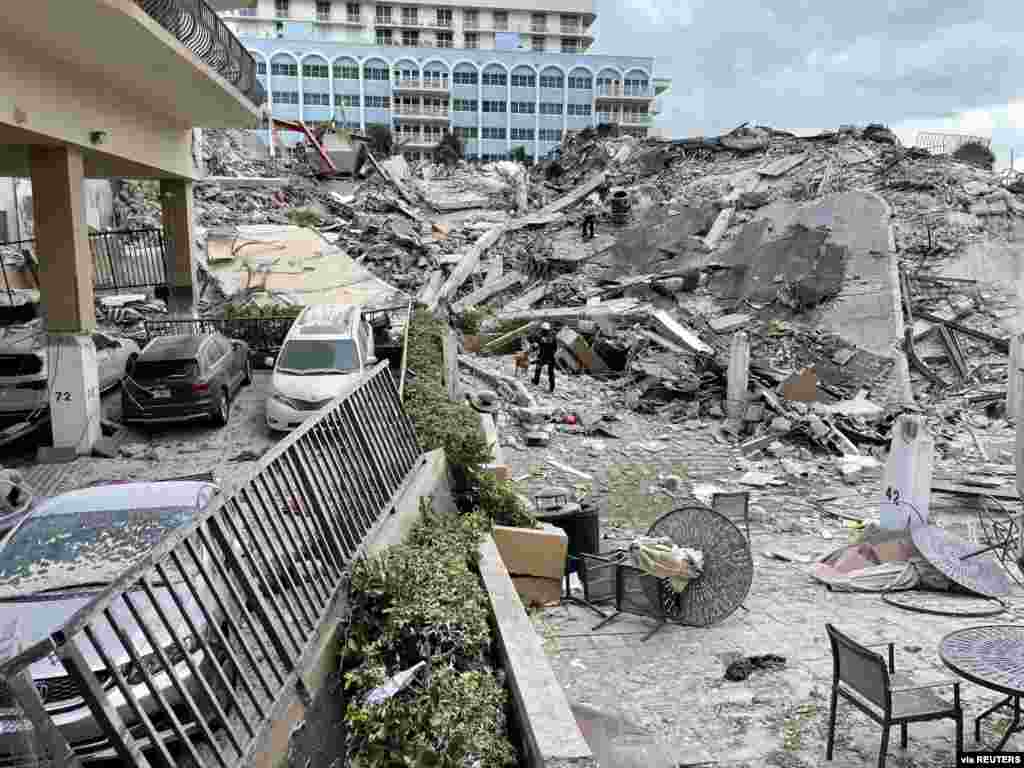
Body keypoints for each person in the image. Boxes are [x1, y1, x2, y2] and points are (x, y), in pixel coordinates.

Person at [531, 321, 557, 393]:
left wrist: (533, 347)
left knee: (538, 369)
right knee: (551, 373)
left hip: (543, 356)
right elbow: (555, 347)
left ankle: (536, 381)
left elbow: (535, 347)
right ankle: (552, 388)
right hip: (551, 357)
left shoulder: (540, 337)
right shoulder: (553, 336)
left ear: (542, 329)